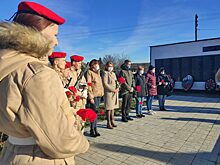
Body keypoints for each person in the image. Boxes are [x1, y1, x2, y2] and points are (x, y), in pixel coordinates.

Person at [0, 2, 89, 165]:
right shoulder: (37, 73)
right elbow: (58, 140)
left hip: (12, 152)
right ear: (36, 33)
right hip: (39, 157)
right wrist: (82, 143)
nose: (55, 42)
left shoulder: (8, 64)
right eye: (54, 34)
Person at [86, 59, 104, 137]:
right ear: (92, 65)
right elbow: (89, 84)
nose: (97, 66)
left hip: (99, 95)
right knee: (93, 113)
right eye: (96, 64)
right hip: (93, 95)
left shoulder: (98, 73)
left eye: (98, 64)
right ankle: (92, 129)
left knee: (96, 113)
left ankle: (95, 128)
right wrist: (90, 96)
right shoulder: (89, 72)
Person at [102, 61, 119, 129]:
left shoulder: (114, 74)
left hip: (115, 93)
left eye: (111, 66)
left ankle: (112, 120)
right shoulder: (105, 73)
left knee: (113, 108)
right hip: (109, 93)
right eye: (109, 66)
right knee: (109, 108)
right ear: (106, 67)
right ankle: (108, 122)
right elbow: (105, 84)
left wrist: (118, 87)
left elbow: (116, 81)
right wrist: (113, 89)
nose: (110, 68)